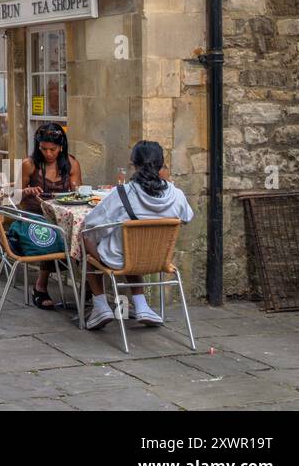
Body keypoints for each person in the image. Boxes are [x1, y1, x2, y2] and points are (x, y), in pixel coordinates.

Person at [83, 141, 194, 331]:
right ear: (162, 165)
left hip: (121, 259)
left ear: (133, 164)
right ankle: (141, 305)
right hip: (159, 259)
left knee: (83, 236)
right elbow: (187, 217)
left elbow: (92, 226)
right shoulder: (176, 194)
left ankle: (100, 305)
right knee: (131, 248)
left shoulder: (122, 193)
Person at [17, 123, 82, 308]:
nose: (48, 154)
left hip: (61, 217)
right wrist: (27, 191)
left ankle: (89, 286)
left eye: (53, 149)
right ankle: (40, 286)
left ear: (61, 147)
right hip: (33, 216)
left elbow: (78, 193)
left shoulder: (71, 164)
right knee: (52, 235)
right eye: (44, 149)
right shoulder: (29, 165)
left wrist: (72, 193)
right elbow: (14, 196)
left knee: (83, 235)